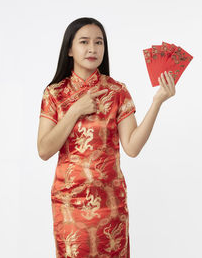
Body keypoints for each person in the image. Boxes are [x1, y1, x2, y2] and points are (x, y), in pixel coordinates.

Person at [37, 17, 175, 258]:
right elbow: (44, 150)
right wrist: (75, 111)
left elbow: (132, 147)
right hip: (70, 206)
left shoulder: (117, 92)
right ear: (70, 49)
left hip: (110, 206)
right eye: (84, 42)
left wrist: (157, 102)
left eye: (99, 42)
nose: (92, 48)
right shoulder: (54, 93)